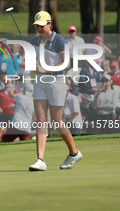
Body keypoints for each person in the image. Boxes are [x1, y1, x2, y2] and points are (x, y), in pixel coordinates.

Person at [28, 11, 82, 171]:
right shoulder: (34, 41)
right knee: (40, 119)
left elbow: (66, 64)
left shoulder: (58, 40)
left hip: (56, 82)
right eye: (36, 26)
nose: (39, 28)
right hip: (40, 83)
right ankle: (40, 160)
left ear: (50, 24)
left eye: (41, 25)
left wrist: (46, 69)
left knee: (57, 122)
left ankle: (74, 153)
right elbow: (33, 65)